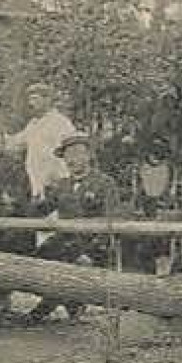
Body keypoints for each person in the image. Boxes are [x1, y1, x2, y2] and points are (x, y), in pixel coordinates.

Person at [27, 133, 123, 322]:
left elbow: (113, 220)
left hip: (93, 243)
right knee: (37, 261)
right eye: (68, 156)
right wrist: (39, 198)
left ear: (88, 156)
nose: (72, 160)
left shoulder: (105, 183)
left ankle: (44, 310)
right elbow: (41, 212)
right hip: (65, 241)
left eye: (78, 154)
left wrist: (92, 251)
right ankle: (72, 305)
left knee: (71, 265)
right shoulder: (61, 185)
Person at [7, 82, 77, 200]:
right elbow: (15, 143)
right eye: (30, 99)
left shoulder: (61, 122)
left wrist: (58, 176)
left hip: (56, 181)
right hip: (36, 182)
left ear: (47, 99)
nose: (31, 103)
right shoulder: (33, 124)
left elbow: (70, 151)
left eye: (35, 99)